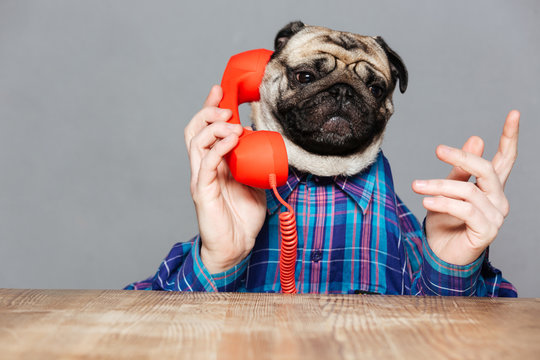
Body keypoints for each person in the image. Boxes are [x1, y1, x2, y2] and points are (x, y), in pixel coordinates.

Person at [126, 85, 519, 296]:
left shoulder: (410, 240)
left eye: (369, 84)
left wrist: (450, 271)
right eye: (307, 78)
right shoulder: (238, 210)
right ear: (256, 83)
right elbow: (127, 332)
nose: (342, 95)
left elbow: (498, 334)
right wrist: (217, 262)